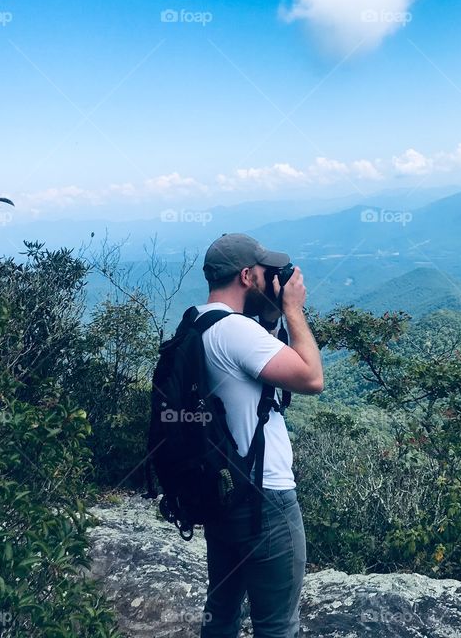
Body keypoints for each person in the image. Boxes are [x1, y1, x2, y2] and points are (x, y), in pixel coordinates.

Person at [197, 232, 323, 638]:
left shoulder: (198, 322)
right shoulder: (236, 332)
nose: (275, 279)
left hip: (223, 491)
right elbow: (311, 378)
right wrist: (292, 310)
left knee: (222, 609)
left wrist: (268, 318)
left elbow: (249, 374)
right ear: (247, 276)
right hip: (265, 498)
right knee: (276, 625)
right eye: (267, 273)